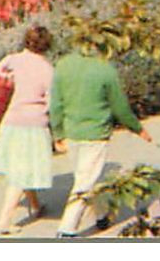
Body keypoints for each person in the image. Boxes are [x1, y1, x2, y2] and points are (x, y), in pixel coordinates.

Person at [50, 33, 153, 238]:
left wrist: (57, 132)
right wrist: (137, 128)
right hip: (95, 132)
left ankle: (101, 215)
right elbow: (120, 106)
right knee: (85, 181)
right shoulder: (105, 70)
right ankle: (66, 229)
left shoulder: (63, 65)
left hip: (72, 131)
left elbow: (55, 103)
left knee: (86, 176)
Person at [0, 26, 55, 235]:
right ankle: (5, 221)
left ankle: (35, 205)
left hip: (9, 121)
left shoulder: (11, 60)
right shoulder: (47, 69)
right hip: (33, 124)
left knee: (20, 166)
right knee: (22, 172)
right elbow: (51, 102)